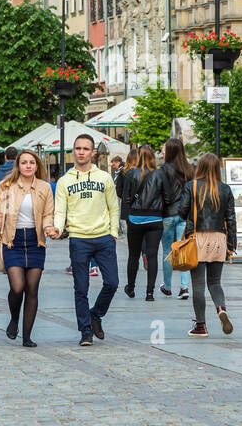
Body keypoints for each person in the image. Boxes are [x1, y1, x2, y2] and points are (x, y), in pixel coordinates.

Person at [50, 133, 120, 347]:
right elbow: (60, 209)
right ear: (74, 151)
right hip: (79, 239)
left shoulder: (104, 178)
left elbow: (113, 207)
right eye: (78, 148)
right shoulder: (65, 181)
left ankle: (96, 314)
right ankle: (85, 331)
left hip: (103, 237)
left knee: (112, 283)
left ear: (92, 153)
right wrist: (58, 226)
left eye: (85, 149)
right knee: (81, 287)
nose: (81, 152)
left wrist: (114, 233)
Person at [0, 150, 55, 347]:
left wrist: (49, 227)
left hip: (35, 242)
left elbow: (48, 213)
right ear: (18, 165)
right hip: (12, 242)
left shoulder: (44, 188)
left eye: (31, 162)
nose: (28, 165)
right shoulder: (6, 186)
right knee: (17, 288)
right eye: (24, 162)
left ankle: (27, 337)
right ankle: (14, 319)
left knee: (32, 289)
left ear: (36, 165)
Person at [185, 151, 237, 338]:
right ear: (217, 169)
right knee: (215, 282)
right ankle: (221, 309)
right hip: (218, 239)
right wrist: (232, 244)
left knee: (198, 286)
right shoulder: (225, 189)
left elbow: (182, 211)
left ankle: (201, 326)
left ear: (200, 167)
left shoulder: (191, 186)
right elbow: (231, 219)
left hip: (197, 239)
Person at [121, 145, 164, 300]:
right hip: (155, 218)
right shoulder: (160, 174)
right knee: (152, 256)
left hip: (136, 218)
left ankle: (131, 288)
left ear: (138, 156)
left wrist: (128, 214)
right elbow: (167, 197)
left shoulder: (131, 173)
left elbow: (126, 197)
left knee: (133, 255)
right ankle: (150, 293)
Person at [156, 138, 194, 298]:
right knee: (183, 249)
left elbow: (157, 193)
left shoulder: (162, 170)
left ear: (170, 151)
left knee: (167, 251)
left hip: (167, 215)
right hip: (184, 215)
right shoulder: (189, 169)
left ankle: (168, 286)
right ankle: (184, 288)